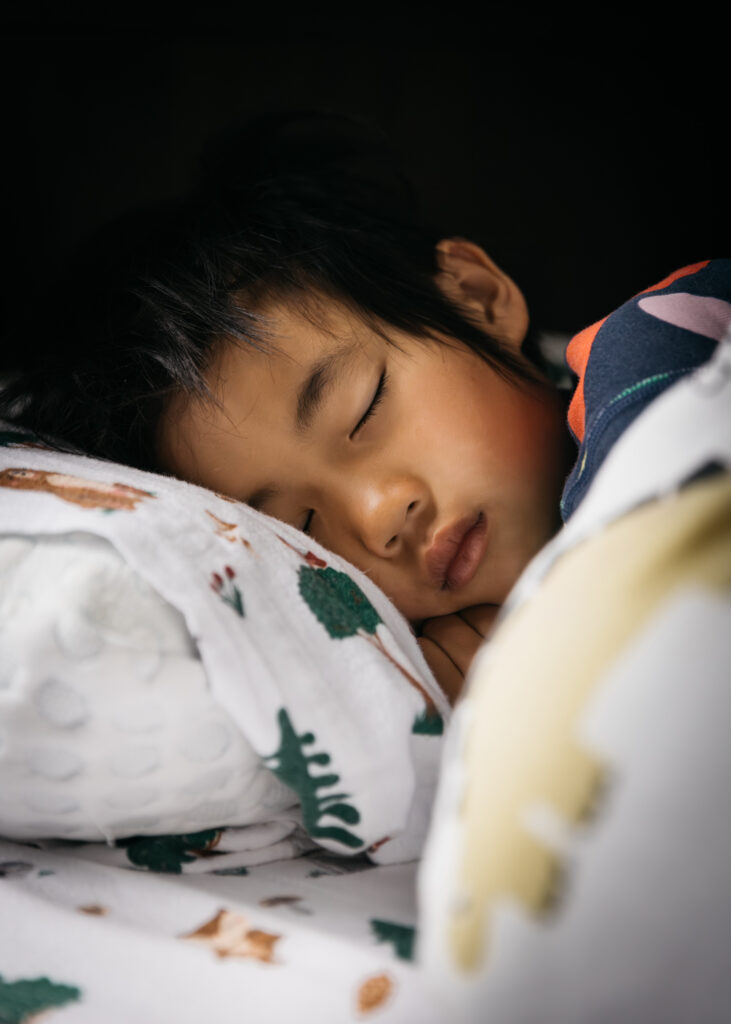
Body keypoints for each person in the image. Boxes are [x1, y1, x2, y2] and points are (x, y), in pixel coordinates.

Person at [1, 113, 726, 702]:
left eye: (365, 408)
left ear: (474, 297)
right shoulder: (444, 678)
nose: (379, 517)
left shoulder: (662, 354)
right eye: (301, 528)